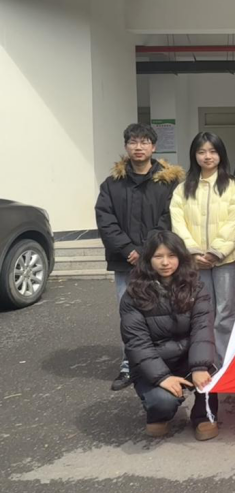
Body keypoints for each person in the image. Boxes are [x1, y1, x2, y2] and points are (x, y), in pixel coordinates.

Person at [95, 123, 184, 392]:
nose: (138, 147)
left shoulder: (168, 183)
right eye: (133, 142)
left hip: (160, 260)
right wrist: (128, 249)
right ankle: (129, 364)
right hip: (125, 262)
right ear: (126, 147)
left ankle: (164, 361)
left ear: (154, 147)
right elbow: (105, 219)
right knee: (129, 313)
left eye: (144, 142)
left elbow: (169, 217)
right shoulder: (112, 184)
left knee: (164, 311)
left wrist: (147, 251)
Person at [120, 230, 219, 441]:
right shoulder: (132, 295)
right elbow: (137, 343)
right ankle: (159, 413)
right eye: (158, 256)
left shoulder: (196, 288)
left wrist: (199, 367)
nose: (165, 262)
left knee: (211, 375)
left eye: (172, 256)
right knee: (162, 402)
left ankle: (203, 415)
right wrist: (162, 377)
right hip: (154, 362)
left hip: (187, 358)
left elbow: (202, 329)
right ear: (148, 259)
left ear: (181, 257)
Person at [170, 132, 235, 368]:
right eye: (202, 151)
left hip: (227, 259)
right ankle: (204, 362)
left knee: (225, 312)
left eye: (213, 151)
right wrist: (192, 252)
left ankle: (225, 364)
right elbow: (177, 222)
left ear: (221, 154)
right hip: (195, 262)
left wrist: (216, 252)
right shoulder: (183, 188)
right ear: (194, 155)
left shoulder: (234, 186)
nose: (207, 156)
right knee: (202, 311)